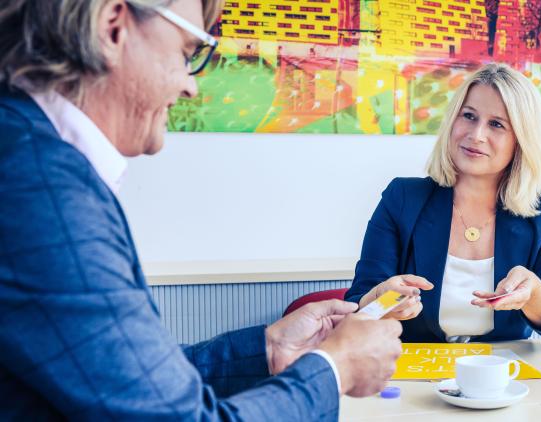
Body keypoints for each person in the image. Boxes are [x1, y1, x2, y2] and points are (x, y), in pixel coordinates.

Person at [0, 0, 402, 420]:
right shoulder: (39, 183)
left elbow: (133, 383)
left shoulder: (29, 155)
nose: (191, 87)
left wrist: (268, 349)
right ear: (113, 27)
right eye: (187, 53)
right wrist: (335, 371)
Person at [345, 63, 541, 343]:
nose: (476, 134)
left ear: (522, 140)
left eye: (496, 124)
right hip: (410, 375)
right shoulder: (402, 198)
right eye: (469, 116)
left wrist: (534, 294)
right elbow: (359, 309)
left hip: (503, 378)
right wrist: (383, 302)